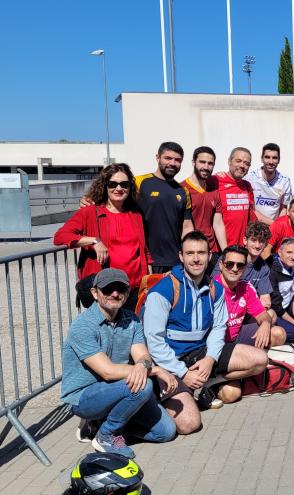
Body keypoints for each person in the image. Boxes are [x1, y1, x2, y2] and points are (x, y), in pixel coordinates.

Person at [142, 231, 268, 432]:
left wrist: (210, 359)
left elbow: (219, 328)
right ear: (181, 257)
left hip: (200, 355)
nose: (196, 258)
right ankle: (161, 398)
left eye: (201, 253)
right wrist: (183, 373)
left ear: (210, 257)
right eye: (190, 253)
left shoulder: (214, 289)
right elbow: (154, 341)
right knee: (190, 424)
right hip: (170, 363)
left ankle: (204, 384)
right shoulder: (163, 291)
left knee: (260, 359)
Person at [61, 268, 177, 458]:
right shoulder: (83, 326)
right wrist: (154, 370)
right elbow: (107, 372)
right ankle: (106, 435)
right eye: (108, 289)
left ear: (128, 291)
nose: (115, 294)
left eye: (120, 289)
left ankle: (101, 427)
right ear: (95, 293)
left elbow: (143, 356)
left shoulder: (130, 319)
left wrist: (143, 365)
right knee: (143, 385)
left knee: (165, 432)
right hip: (85, 396)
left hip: (119, 388)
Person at [55, 163, 148, 310]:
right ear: (105, 186)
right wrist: (94, 241)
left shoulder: (136, 214)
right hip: (105, 291)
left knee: (131, 331)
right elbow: (60, 236)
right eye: (113, 184)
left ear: (130, 187)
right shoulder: (90, 212)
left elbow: (142, 250)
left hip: (133, 289)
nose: (119, 189)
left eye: (124, 184)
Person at [134, 142, 195, 273]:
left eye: (177, 160)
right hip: (147, 261)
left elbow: (187, 226)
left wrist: (188, 254)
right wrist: (88, 200)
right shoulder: (139, 183)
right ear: (157, 158)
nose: (172, 163)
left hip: (176, 261)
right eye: (168, 158)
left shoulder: (183, 191)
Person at [214, 245, 286, 350]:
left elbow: (262, 314)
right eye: (229, 264)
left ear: (245, 268)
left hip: (238, 335)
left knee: (279, 333)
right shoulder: (212, 289)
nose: (235, 269)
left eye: (240, 265)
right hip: (218, 342)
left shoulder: (246, 287)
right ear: (221, 265)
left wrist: (265, 323)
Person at [181, 146, 226, 271]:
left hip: (213, 253)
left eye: (210, 163)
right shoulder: (181, 190)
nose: (206, 167)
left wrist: (226, 252)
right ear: (193, 162)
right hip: (194, 253)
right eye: (202, 162)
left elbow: (218, 224)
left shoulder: (214, 191)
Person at [214, 147, 257, 249]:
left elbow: (252, 215)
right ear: (229, 161)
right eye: (238, 161)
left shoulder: (247, 186)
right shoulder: (215, 181)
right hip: (219, 249)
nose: (242, 165)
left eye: (246, 163)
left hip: (241, 250)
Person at [248, 143, 292, 225]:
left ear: (279, 160)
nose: (271, 162)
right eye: (267, 157)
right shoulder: (250, 178)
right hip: (252, 227)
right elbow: (250, 208)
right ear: (261, 159)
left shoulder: (285, 181)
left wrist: (277, 226)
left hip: (273, 229)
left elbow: (284, 208)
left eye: (274, 158)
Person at [241, 221, 274, 311]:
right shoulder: (231, 258)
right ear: (245, 240)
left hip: (250, 311)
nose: (257, 245)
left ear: (266, 245)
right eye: (254, 240)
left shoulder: (264, 268)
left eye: (262, 241)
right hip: (228, 310)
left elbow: (265, 300)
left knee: (270, 314)